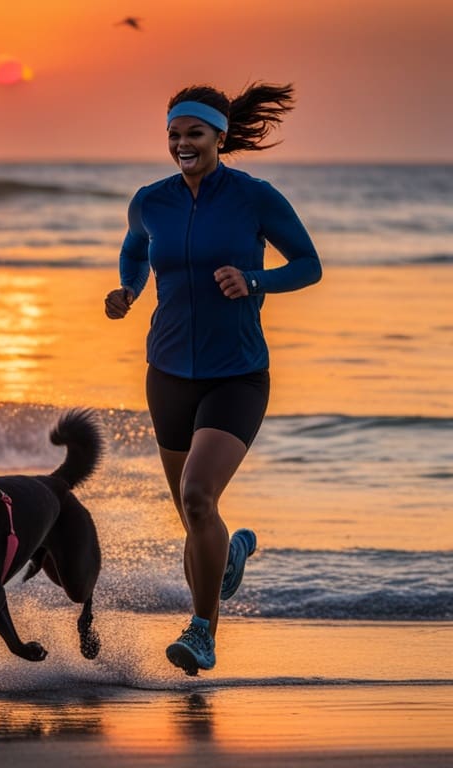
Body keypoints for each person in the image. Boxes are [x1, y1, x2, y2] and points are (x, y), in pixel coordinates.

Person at [104, 82, 322, 675]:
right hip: (168, 372)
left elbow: (308, 264)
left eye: (193, 134)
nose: (182, 144)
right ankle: (229, 556)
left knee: (199, 496)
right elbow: (136, 251)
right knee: (193, 512)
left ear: (219, 138)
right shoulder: (151, 200)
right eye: (174, 135)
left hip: (237, 374)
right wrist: (127, 290)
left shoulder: (255, 198)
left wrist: (256, 282)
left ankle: (202, 633)